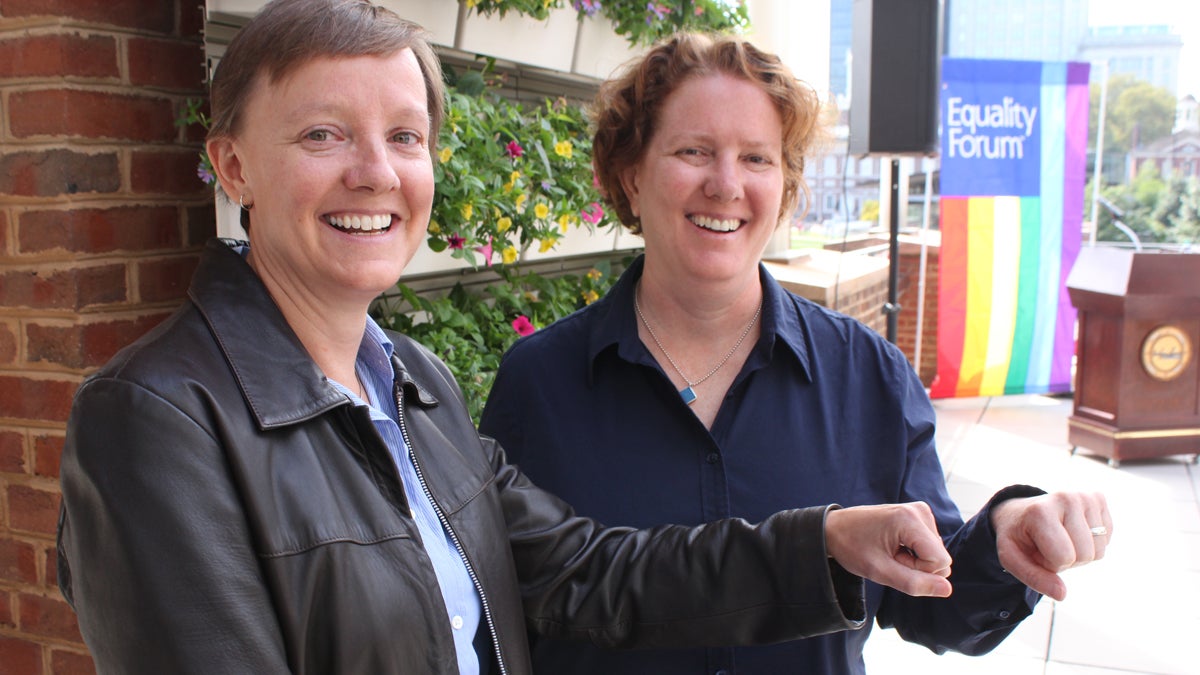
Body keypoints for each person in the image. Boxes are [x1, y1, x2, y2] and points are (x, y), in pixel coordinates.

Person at [55, 2, 968, 674]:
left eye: (404, 136)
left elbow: (588, 574)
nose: (375, 173)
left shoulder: (412, 384)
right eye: (324, 134)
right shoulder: (156, 422)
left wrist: (825, 548)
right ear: (234, 163)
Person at [479, 32, 1113, 675]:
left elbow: (934, 603)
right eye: (694, 150)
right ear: (630, 176)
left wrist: (1007, 536)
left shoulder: (867, 377)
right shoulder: (539, 386)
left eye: (757, 158)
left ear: (785, 186)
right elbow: (504, 613)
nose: (726, 185)